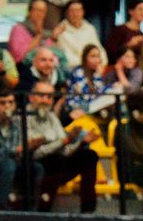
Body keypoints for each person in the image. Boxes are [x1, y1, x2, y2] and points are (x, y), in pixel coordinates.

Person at [24, 79, 98, 212]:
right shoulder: (24, 116)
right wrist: (64, 141)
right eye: (42, 95)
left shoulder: (52, 116)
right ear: (31, 97)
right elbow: (37, 153)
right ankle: (43, 209)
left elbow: (65, 151)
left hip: (57, 160)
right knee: (52, 161)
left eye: (50, 97)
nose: (45, 100)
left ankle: (88, 210)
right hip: (36, 163)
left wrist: (81, 142)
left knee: (89, 156)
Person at [51, 0, 102, 71]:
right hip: (72, 69)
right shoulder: (61, 30)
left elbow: (98, 48)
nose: (75, 14)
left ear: (83, 12)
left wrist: (101, 62)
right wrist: (86, 63)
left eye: (78, 10)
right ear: (67, 13)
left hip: (94, 67)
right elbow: (66, 56)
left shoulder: (90, 28)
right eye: (72, 11)